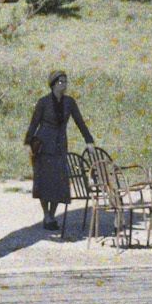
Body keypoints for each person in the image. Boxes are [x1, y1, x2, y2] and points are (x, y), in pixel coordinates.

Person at [24, 70, 94, 236]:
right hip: (42, 146)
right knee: (44, 181)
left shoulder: (70, 102)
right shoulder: (43, 102)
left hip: (60, 145)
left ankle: (52, 215)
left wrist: (89, 140)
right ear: (54, 84)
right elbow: (34, 123)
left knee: (58, 182)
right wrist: (28, 143)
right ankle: (46, 215)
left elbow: (79, 121)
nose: (64, 84)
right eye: (61, 81)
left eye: (65, 81)